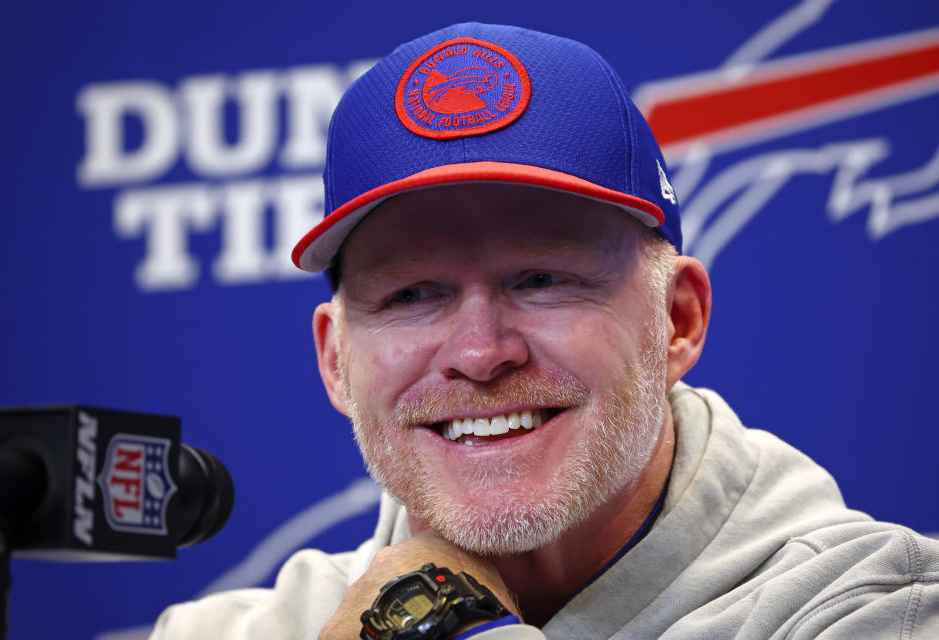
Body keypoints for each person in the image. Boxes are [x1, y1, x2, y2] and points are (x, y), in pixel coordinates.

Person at [151, 23, 939, 639]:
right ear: (334, 360)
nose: (480, 352)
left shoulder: (877, 613)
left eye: (541, 280)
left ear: (679, 321)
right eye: (412, 294)